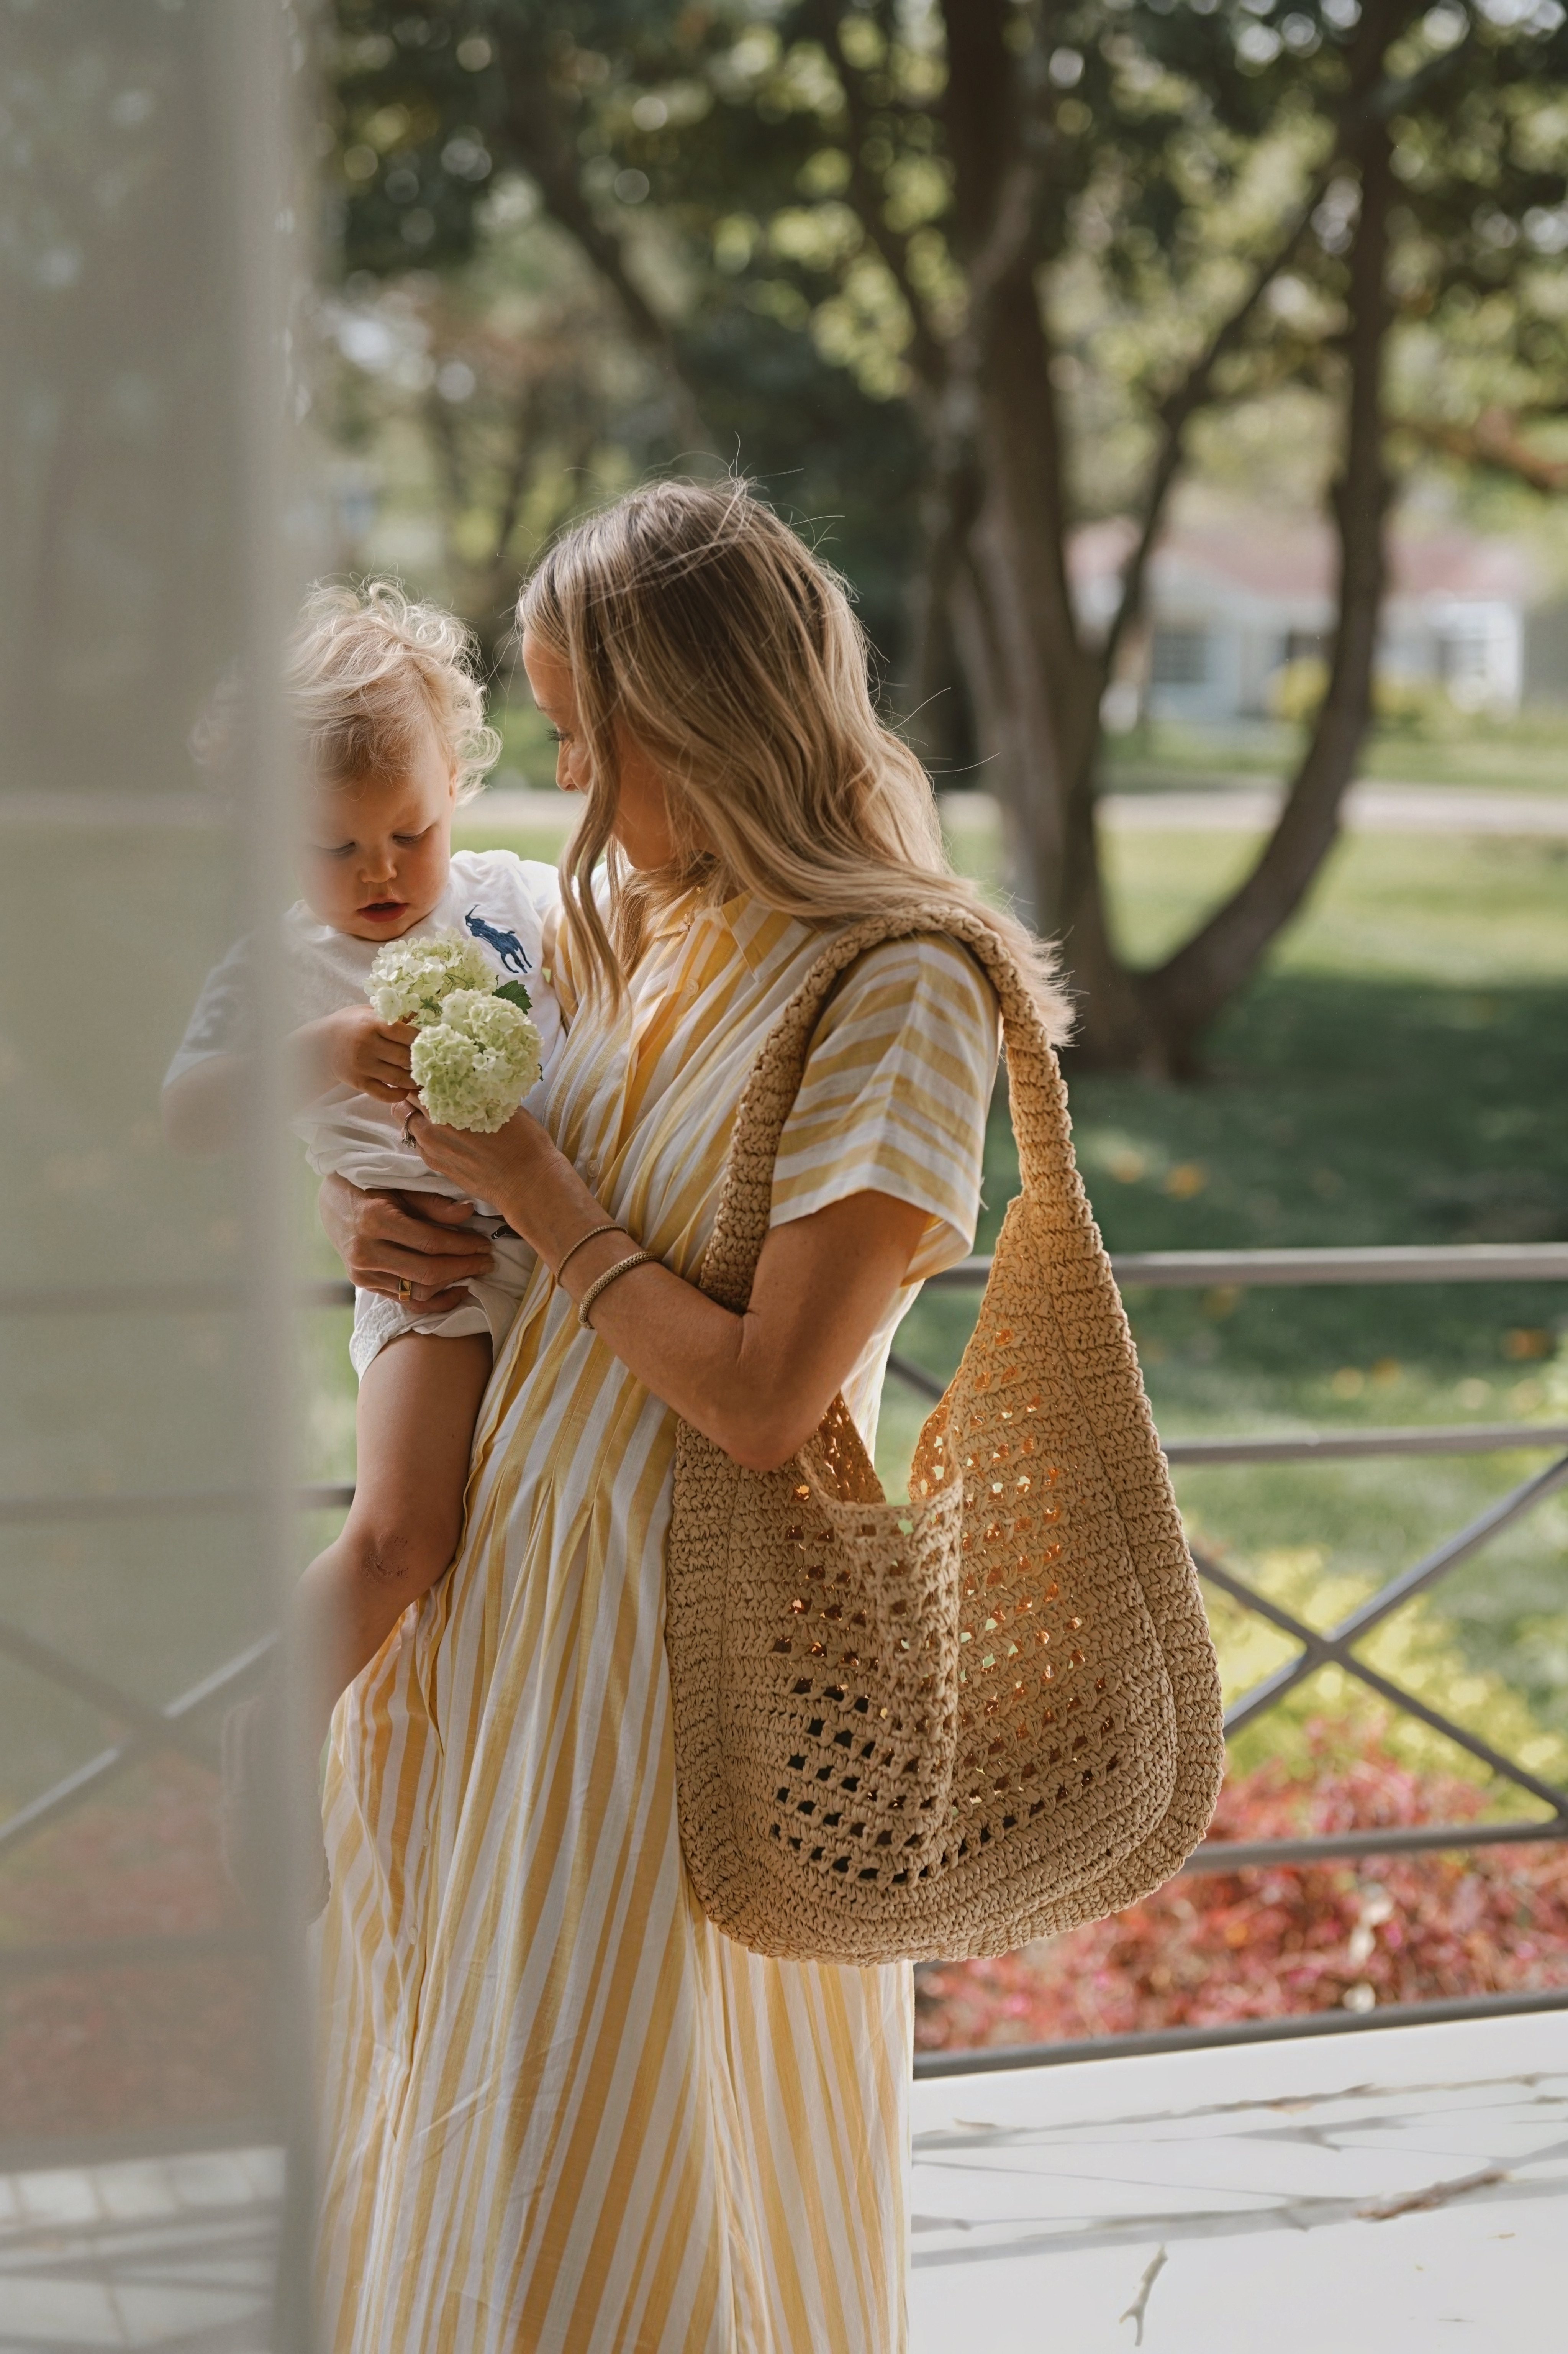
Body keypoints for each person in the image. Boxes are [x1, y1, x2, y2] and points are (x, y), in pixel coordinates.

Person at [312, 481, 1068, 2352]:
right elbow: (492, 1173)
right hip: (507, 1642)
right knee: (478, 2170)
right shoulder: (640, 923)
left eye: (584, 735)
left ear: (696, 723)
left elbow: (760, 1398)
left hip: (682, 1678)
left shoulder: (898, 980)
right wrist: (373, 1198)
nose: (562, 784)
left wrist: (539, 1196)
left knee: (627, 2186)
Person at [164, 583, 563, 1761]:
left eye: (413, 831)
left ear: (459, 790)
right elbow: (190, 1114)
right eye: (335, 847)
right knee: (403, 1536)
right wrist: (326, 1051)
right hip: (429, 1278)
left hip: (567, 1254)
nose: (384, 872)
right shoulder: (276, 965)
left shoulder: (518, 901)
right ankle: (271, 1730)